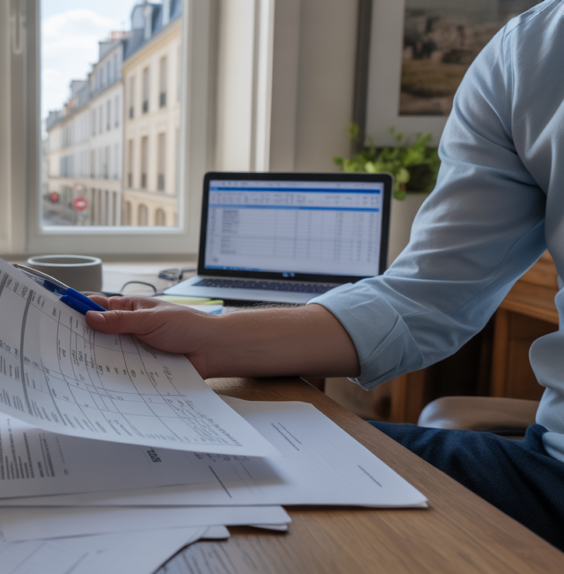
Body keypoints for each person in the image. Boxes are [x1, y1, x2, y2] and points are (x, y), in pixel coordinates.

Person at [86, 1, 564, 550]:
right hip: (548, 471)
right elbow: (425, 299)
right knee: (167, 466)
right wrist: (211, 338)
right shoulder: (529, 52)